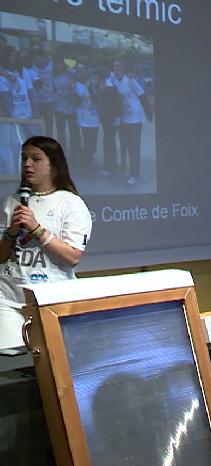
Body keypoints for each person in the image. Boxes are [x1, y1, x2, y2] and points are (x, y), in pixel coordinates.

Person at [0, 136, 92, 349]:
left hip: (51, 299)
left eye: (35, 159)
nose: (27, 164)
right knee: (11, 367)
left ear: (53, 164)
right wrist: (12, 232)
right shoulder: (11, 202)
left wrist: (37, 229)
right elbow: (1, 256)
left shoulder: (70, 203)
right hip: (8, 298)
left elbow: (72, 257)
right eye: (23, 158)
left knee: (49, 366)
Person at [106, 60, 150, 186]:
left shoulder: (130, 81)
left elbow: (142, 96)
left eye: (119, 66)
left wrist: (148, 114)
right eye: (115, 66)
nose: (117, 68)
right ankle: (127, 170)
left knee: (134, 147)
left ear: (123, 68)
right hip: (124, 118)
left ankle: (134, 174)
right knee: (124, 145)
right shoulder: (113, 80)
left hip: (135, 118)